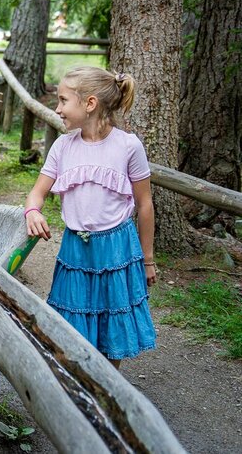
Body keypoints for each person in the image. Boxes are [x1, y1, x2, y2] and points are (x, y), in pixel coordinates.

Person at [24, 66, 157, 367]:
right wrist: (32, 211)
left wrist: (148, 259)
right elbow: (37, 193)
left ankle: (106, 391)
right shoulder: (63, 147)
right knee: (71, 323)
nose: (57, 109)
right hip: (76, 249)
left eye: (62, 100)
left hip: (117, 249)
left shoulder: (127, 146)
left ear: (90, 104)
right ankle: (78, 387)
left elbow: (145, 205)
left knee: (112, 322)